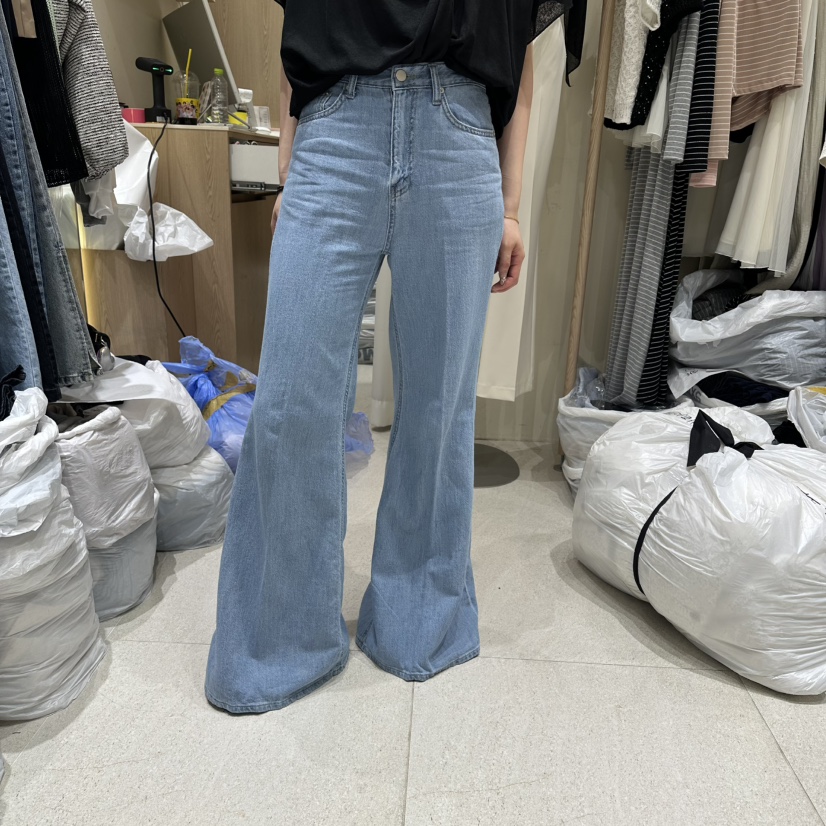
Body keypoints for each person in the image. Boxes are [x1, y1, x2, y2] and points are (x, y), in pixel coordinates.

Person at [206, 1, 558, 714]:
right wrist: (288, 167)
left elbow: (519, 49)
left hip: (459, 132)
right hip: (334, 130)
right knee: (290, 406)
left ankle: (416, 620)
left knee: (438, 408)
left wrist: (512, 204)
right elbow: (299, 26)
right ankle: (280, 642)